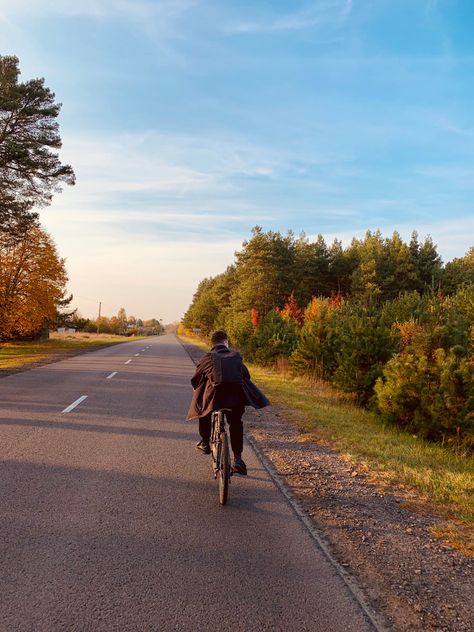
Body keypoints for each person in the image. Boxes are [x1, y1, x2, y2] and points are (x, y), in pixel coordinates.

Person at [186, 330, 269, 475]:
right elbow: (246, 376)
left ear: (212, 344)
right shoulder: (236, 356)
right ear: (226, 342)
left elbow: (195, 380)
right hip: (235, 399)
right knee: (236, 423)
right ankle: (238, 459)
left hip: (214, 398)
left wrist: (197, 391)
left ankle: (205, 442)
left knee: (204, 412)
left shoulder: (207, 358)